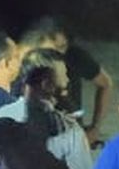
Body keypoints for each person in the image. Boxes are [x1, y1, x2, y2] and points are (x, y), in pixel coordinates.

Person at [17, 16, 112, 144]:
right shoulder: (20, 65)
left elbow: (105, 83)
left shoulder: (74, 57)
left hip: (69, 136)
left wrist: (95, 128)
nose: (59, 54)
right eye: (52, 50)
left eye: (63, 47)